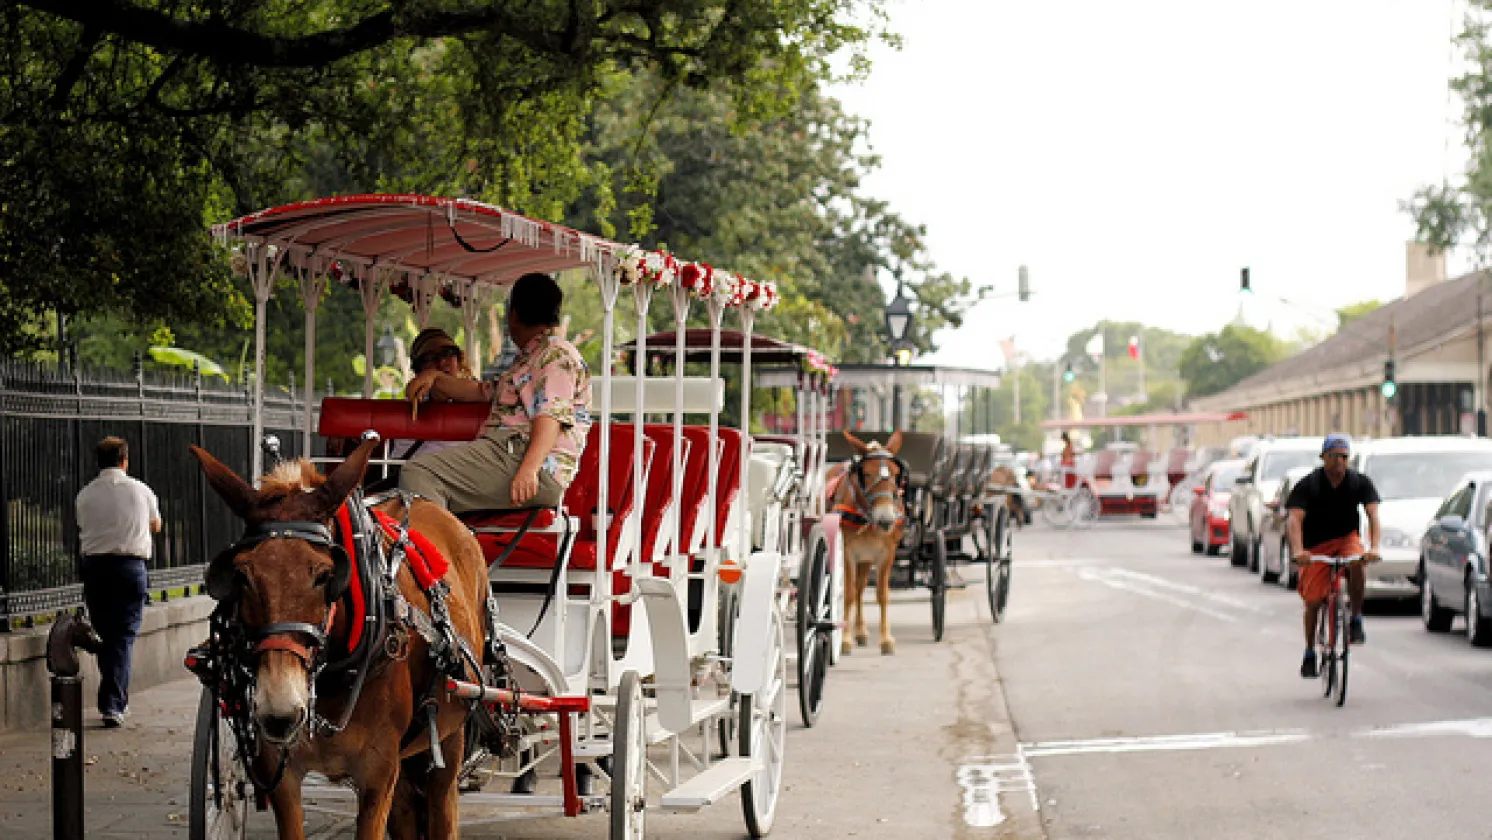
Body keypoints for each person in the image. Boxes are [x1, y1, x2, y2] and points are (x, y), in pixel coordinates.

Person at [400, 272, 592, 511]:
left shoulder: (555, 355)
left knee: (418, 473)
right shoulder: (533, 356)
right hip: (511, 455)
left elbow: (550, 416)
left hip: (524, 459)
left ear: (513, 316)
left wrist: (529, 470)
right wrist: (434, 378)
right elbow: (481, 391)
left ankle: (432, 548)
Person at [75, 436, 161, 727]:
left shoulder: (85, 495)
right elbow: (156, 524)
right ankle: (113, 705)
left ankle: (112, 696)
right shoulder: (141, 491)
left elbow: (82, 524)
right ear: (125, 460)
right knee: (123, 636)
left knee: (105, 634)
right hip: (129, 567)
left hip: (95, 567)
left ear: (98, 461)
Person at [1285, 433, 1381, 678]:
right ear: (1323, 457)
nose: (1339, 462)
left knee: (1357, 563)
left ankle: (1356, 618)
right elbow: (1294, 520)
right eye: (1333, 456)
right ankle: (1309, 652)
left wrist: (1374, 547)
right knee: (1314, 600)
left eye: (1344, 457)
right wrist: (1298, 551)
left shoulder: (1359, 482)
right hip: (1316, 546)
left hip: (1347, 538)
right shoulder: (1309, 485)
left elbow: (1373, 516)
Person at [390, 327, 477, 460]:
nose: (441, 362)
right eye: (430, 358)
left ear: (459, 362)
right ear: (419, 371)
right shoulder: (409, 407)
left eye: (447, 353)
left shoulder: (476, 399)